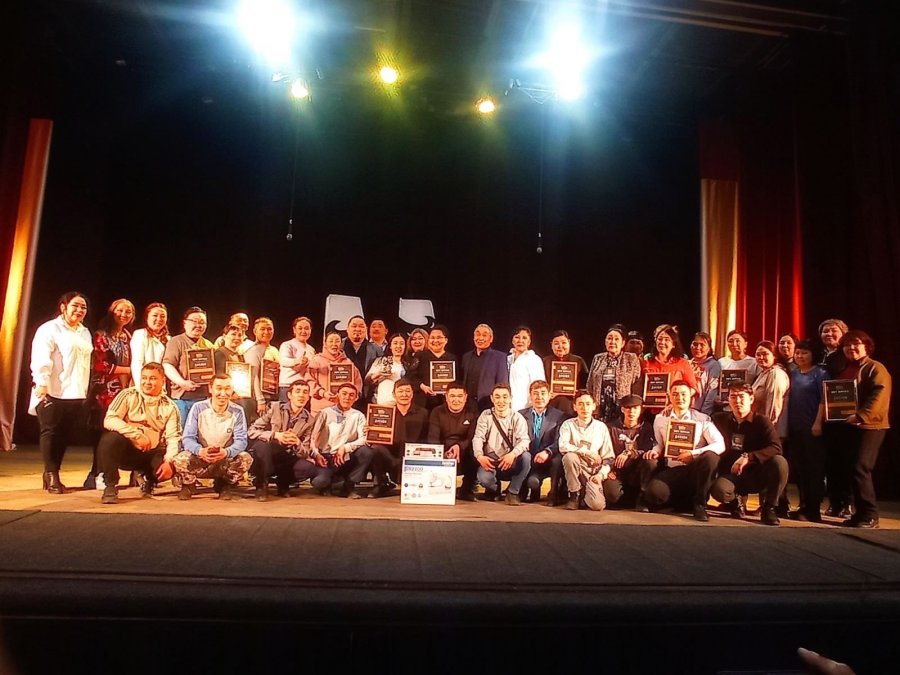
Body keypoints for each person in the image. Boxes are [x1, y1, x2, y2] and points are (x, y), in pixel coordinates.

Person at [29, 292, 93, 493]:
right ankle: (50, 474)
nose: (79, 310)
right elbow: (41, 357)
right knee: (50, 432)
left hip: (75, 391)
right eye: (75, 305)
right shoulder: (49, 329)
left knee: (64, 435)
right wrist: (41, 382)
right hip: (52, 388)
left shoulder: (84, 332)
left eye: (83, 307)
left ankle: (54, 471)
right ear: (63, 306)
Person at [641, 380, 725, 521]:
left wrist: (693, 454)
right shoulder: (660, 419)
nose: (679, 398)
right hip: (672, 469)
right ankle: (683, 503)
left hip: (694, 470)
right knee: (655, 494)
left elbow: (720, 444)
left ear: (691, 397)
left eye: (683, 394)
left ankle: (700, 504)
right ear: (669, 396)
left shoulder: (702, 419)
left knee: (711, 457)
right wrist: (655, 451)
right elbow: (659, 444)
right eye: (675, 394)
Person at [97, 362, 180, 504]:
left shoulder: (170, 407)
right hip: (127, 450)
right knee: (109, 440)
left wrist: (169, 461)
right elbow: (110, 419)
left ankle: (149, 480)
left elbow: (174, 437)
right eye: (144, 378)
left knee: (173, 464)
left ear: (163, 380)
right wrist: (136, 435)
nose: (147, 382)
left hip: (151, 452)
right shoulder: (127, 395)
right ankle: (110, 485)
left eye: (153, 378)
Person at [711, 384, 788, 526]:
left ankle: (769, 508)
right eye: (733, 397)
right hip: (731, 475)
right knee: (719, 490)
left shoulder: (762, 421)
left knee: (780, 462)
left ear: (751, 399)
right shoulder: (719, 420)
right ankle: (736, 503)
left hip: (756, 474)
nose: (737, 401)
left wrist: (749, 457)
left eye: (742, 397)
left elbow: (776, 447)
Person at [839, 330, 892, 528]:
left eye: (856, 344)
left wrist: (861, 415)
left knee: (861, 467)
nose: (851, 348)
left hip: (871, 426)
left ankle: (870, 515)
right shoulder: (848, 368)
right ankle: (859, 514)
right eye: (846, 345)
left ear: (867, 347)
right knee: (851, 468)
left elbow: (879, 395)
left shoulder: (875, 368)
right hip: (851, 426)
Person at [172, 373, 252, 500]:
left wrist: (226, 452)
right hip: (201, 457)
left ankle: (224, 484)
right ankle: (188, 484)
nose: (223, 393)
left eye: (227, 388)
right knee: (180, 459)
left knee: (245, 458)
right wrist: (200, 451)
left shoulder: (238, 411)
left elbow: (241, 441)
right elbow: (187, 438)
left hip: (224, 458)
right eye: (218, 388)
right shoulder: (198, 408)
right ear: (210, 388)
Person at [85, 298, 135, 488]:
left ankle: (116, 473)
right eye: (120, 310)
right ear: (111, 311)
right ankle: (97, 474)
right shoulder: (101, 335)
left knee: (119, 434)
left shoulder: (128, 337)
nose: (124, 315)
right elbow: (101, 365)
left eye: (128, 312)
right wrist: (131, 370)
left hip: (124, 392)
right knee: (102, 434)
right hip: (104, 393)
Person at [247, 380, 320, 500]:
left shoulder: (309, 420)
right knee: (263, 446)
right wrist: (275, 435)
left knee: (308, 467)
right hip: (269, 452)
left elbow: (305, 452)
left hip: (287, 455)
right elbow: (252, 431)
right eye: (297, 391)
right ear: (289, 395)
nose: (301, 395)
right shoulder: (275, 408)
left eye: (305, 392)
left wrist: (297, 442)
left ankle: (283, 483)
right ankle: (261, 484)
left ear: (308, 397)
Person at [308, 383, 373, 499]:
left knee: (366, 452)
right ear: (337, 395)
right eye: (344, 394)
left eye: (351, 395)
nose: (347, 397)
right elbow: (311, 436)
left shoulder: (359, 416)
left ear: (356, 398)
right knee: (320, 482)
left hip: (346, 456)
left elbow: (364, 439)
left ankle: (348, 486)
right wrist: (316, 454)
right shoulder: (325, 413)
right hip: (326, 457)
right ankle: (331, 484)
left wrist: (345, 447)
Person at [365, 379, 429, 497]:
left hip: (413, 456)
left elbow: (426, 438)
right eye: (400, 391)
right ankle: (381, 484)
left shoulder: (423, 413)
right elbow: (376, 437)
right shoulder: (386, 413)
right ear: (394, 394)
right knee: (375, 449)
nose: (404, 394)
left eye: (407, 391)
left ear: (412, 393)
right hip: (391, 456)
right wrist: (371, 431)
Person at [817, 318, 854, 518]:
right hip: (823, 415)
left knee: (845, 462)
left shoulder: (848, 355)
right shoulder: (818, 354)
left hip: (844, 416)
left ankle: (847, 503)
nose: (829, 334)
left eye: (833, 331)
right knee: (828, 462)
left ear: (843, 334)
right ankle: (834, 502)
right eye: (825, 331)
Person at [787, 340, 827, 522]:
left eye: (804, 353)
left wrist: (818, 423)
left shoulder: (820, 374)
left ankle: (814, 509)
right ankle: (803, 506)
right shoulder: (794, 373)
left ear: (813, 355)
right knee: (800, 469)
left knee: (813, 470)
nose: (800, 356)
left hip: (812, 428)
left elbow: (824, 401)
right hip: (795, 427)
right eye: (798, 353)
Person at [472, 384, 531, 505]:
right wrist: (479, 456)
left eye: (505, 397)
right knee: (484, 478)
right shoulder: (485, 415)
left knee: (526, 457)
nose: (501, 401)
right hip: (492, 460)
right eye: (497, 397)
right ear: (492, 398)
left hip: (511, 460)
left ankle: (512, 492)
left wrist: (512, 454)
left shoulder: (518, 418)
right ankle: (495, 489)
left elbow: (525, 440)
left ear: (510, 398)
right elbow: (478, 437)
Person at [559, 390, 614, 511]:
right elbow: (563, 446)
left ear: (594, 406)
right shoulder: (568, 425)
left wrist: (600, 475)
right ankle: (574, 495)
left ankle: (585, 494)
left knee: (597, 505)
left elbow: (609, 458)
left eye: (588, 404)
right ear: (575, 407)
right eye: (580, 404)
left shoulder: (601, 427)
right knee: (569, 457)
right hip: (576, 468)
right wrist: (587, 452)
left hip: (593, 471)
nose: (584, 408)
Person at [162, 306, 215, 426]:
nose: (198, 325)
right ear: (185, 323)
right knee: (182, 431)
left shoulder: (209, 345)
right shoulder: (176, 342)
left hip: (204, 399)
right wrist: (182, 383)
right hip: (182, 398)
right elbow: (167, 365)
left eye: (202, 322)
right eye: (194, 321)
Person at [427, 381, 479, 501]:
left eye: (460, 396)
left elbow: (472, 437)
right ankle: (438, 488)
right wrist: (443, 452)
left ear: (465, 397)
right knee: (431, 449)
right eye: (452, 396)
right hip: (443, 450)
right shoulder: (437, 412)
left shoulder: (472, 413)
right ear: (446, 397)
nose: (456, 400)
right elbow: (433, 438)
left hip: (465, 451)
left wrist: (459, 446)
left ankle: (467, 489)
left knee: (476, 450)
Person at [520, 380, 566, 503]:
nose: (539, 397)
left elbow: (560, 440)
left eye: (543, 393)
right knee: (533, 482)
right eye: (535, 393)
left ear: (549, 395)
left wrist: (547, 452)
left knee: (558, 459)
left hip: (549, 460)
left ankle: (554, 495)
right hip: (529, 459)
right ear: (530, 396)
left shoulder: (559, 416)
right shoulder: (520, 415)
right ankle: (522, 491)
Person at [607, 394, 655, 509]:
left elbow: (647, 450)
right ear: (622, 409)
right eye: (628, 408)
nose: (631, 412)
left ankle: (643, 496)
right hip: (617, 471)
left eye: (635, 408)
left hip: (638, 471)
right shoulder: (611, 428)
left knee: (651, 461)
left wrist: (629, 453)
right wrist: (608, 469)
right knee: (612, 496)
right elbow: (604, 451)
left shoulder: (647, 428)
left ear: (641, 409)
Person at [586, 325, 642, 423]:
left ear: (623, 343)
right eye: (609, 338)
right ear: (605, 341)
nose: (612, 342)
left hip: (622, 409)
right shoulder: (598, 358)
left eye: (616, 339)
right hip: (600, 408)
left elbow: (637, 384)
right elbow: (590, 384)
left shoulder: (631, 358)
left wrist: (631, 406)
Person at [306, 330, 364, 416]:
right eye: (331, 341)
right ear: (325, 344)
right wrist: (323, 393)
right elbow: (309, 381)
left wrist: (350, 397)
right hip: (320, 409)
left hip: (342, 411)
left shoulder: (348, 362)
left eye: (337, 341)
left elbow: (357, 383)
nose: (334, 344)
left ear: (341, 344)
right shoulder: (316, 361)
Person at [642, 325, 698, 410]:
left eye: (667, 339)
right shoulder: (646, 363)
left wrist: (676, 401)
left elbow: (693, 388)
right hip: (650, 411)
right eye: (660, 339)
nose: (662, 342)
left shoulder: (683, 363)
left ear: (673, 344)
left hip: (674, 410)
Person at [213, 323, 256, 424]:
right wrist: (231, 393)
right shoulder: (220, 353)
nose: (237, 337)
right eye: (233, 334)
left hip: (240, 396)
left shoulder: (240, 355)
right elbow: (219, 376)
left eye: (239, 335)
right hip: (228, 398)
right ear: (224, 336)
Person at [461, 323, 509, 411]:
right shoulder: (466, 357)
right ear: (473, 337)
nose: (480, 338)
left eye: (484, 335)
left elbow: (502, 384)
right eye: (477, 334)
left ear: (491, 339)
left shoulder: (500, 357)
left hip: (488, 405)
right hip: (467, 406)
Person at [542, 330, 588, 417]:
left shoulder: (578, 360)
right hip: (551, 405)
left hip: (572, 406)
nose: (560, 346)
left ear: (569, 343)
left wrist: (578, 392)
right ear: (551, 345)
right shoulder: (545, 361)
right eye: (556, 343)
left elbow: (586, 384)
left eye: (563, 342)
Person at [751, 340, 791, 439]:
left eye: (765, 354)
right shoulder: (763, 373)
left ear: (774, 356)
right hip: (758, 426)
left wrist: (768, 428)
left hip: (770, 430)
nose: (761, 357)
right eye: (758, 355)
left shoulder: (775, 374)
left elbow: (774, 404)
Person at [243, 317, 280, 422]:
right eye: (262, 329)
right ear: (255, 331)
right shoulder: (253, 350)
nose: (266, 332)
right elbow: (253, 376)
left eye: (269, 329)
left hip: (273, 395)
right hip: (259, 399)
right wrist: (260, 400)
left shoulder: (274, 350)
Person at [365, 333, 417, 406]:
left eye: (402, 343)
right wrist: (378, 374)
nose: (398, 346)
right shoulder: (381, 361)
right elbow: (367, 381)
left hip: (402, 403)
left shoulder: (410, 363)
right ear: (390, 346)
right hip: (383, 401)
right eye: (395, 343)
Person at [415, 324, 458, 410]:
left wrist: (449, 389)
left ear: (446, 340)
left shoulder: (452, 358)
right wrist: (422, 386)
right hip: (423, 403)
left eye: (439, 337)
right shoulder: (420, 356)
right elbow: (411, 376)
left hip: (444, 403)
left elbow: (457, 380)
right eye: (432, 338)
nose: (435, 340)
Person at [342, 315, 382, 406]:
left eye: (361, 326)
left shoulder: (376, 349)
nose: (357, 329)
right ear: (347, 329)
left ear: (366, 329)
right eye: (354, 326)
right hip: (342, 396)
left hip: (366, 396)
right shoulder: (339, 346)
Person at [507, 326, 546, 412]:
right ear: (512, 341)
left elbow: (539, 385)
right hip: (507, 408)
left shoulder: (534, 359)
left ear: (529, 342)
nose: (520, 341)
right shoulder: (507, 359)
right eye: (517, 337)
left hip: (525, 408)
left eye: (524, 338)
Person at [129, 303, 169, 386]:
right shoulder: (140, 334)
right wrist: (141, 386)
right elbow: (137, 363)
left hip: (163, 385)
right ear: (147, 317)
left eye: (162, 316)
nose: (159, 319)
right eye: (155, 315)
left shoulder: (169, 339)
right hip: (145, 384)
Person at [278, 316, 315, 402]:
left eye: (306, 328)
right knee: (286, 410)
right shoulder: (287, 345)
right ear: (294, 330)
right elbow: (283, 361)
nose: (303, 331)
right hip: (288, 386)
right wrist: (297, 361)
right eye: (300, 328)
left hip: (304, 387)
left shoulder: (311, 349)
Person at [689, 331, 720, 415]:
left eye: (702, 345)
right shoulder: (686, 364)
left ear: (709, 348)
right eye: (695, 344)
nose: (698, 347)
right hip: (684, 411)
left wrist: (704, 413)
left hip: (702, 412)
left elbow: (712, 391)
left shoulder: (714, 365)